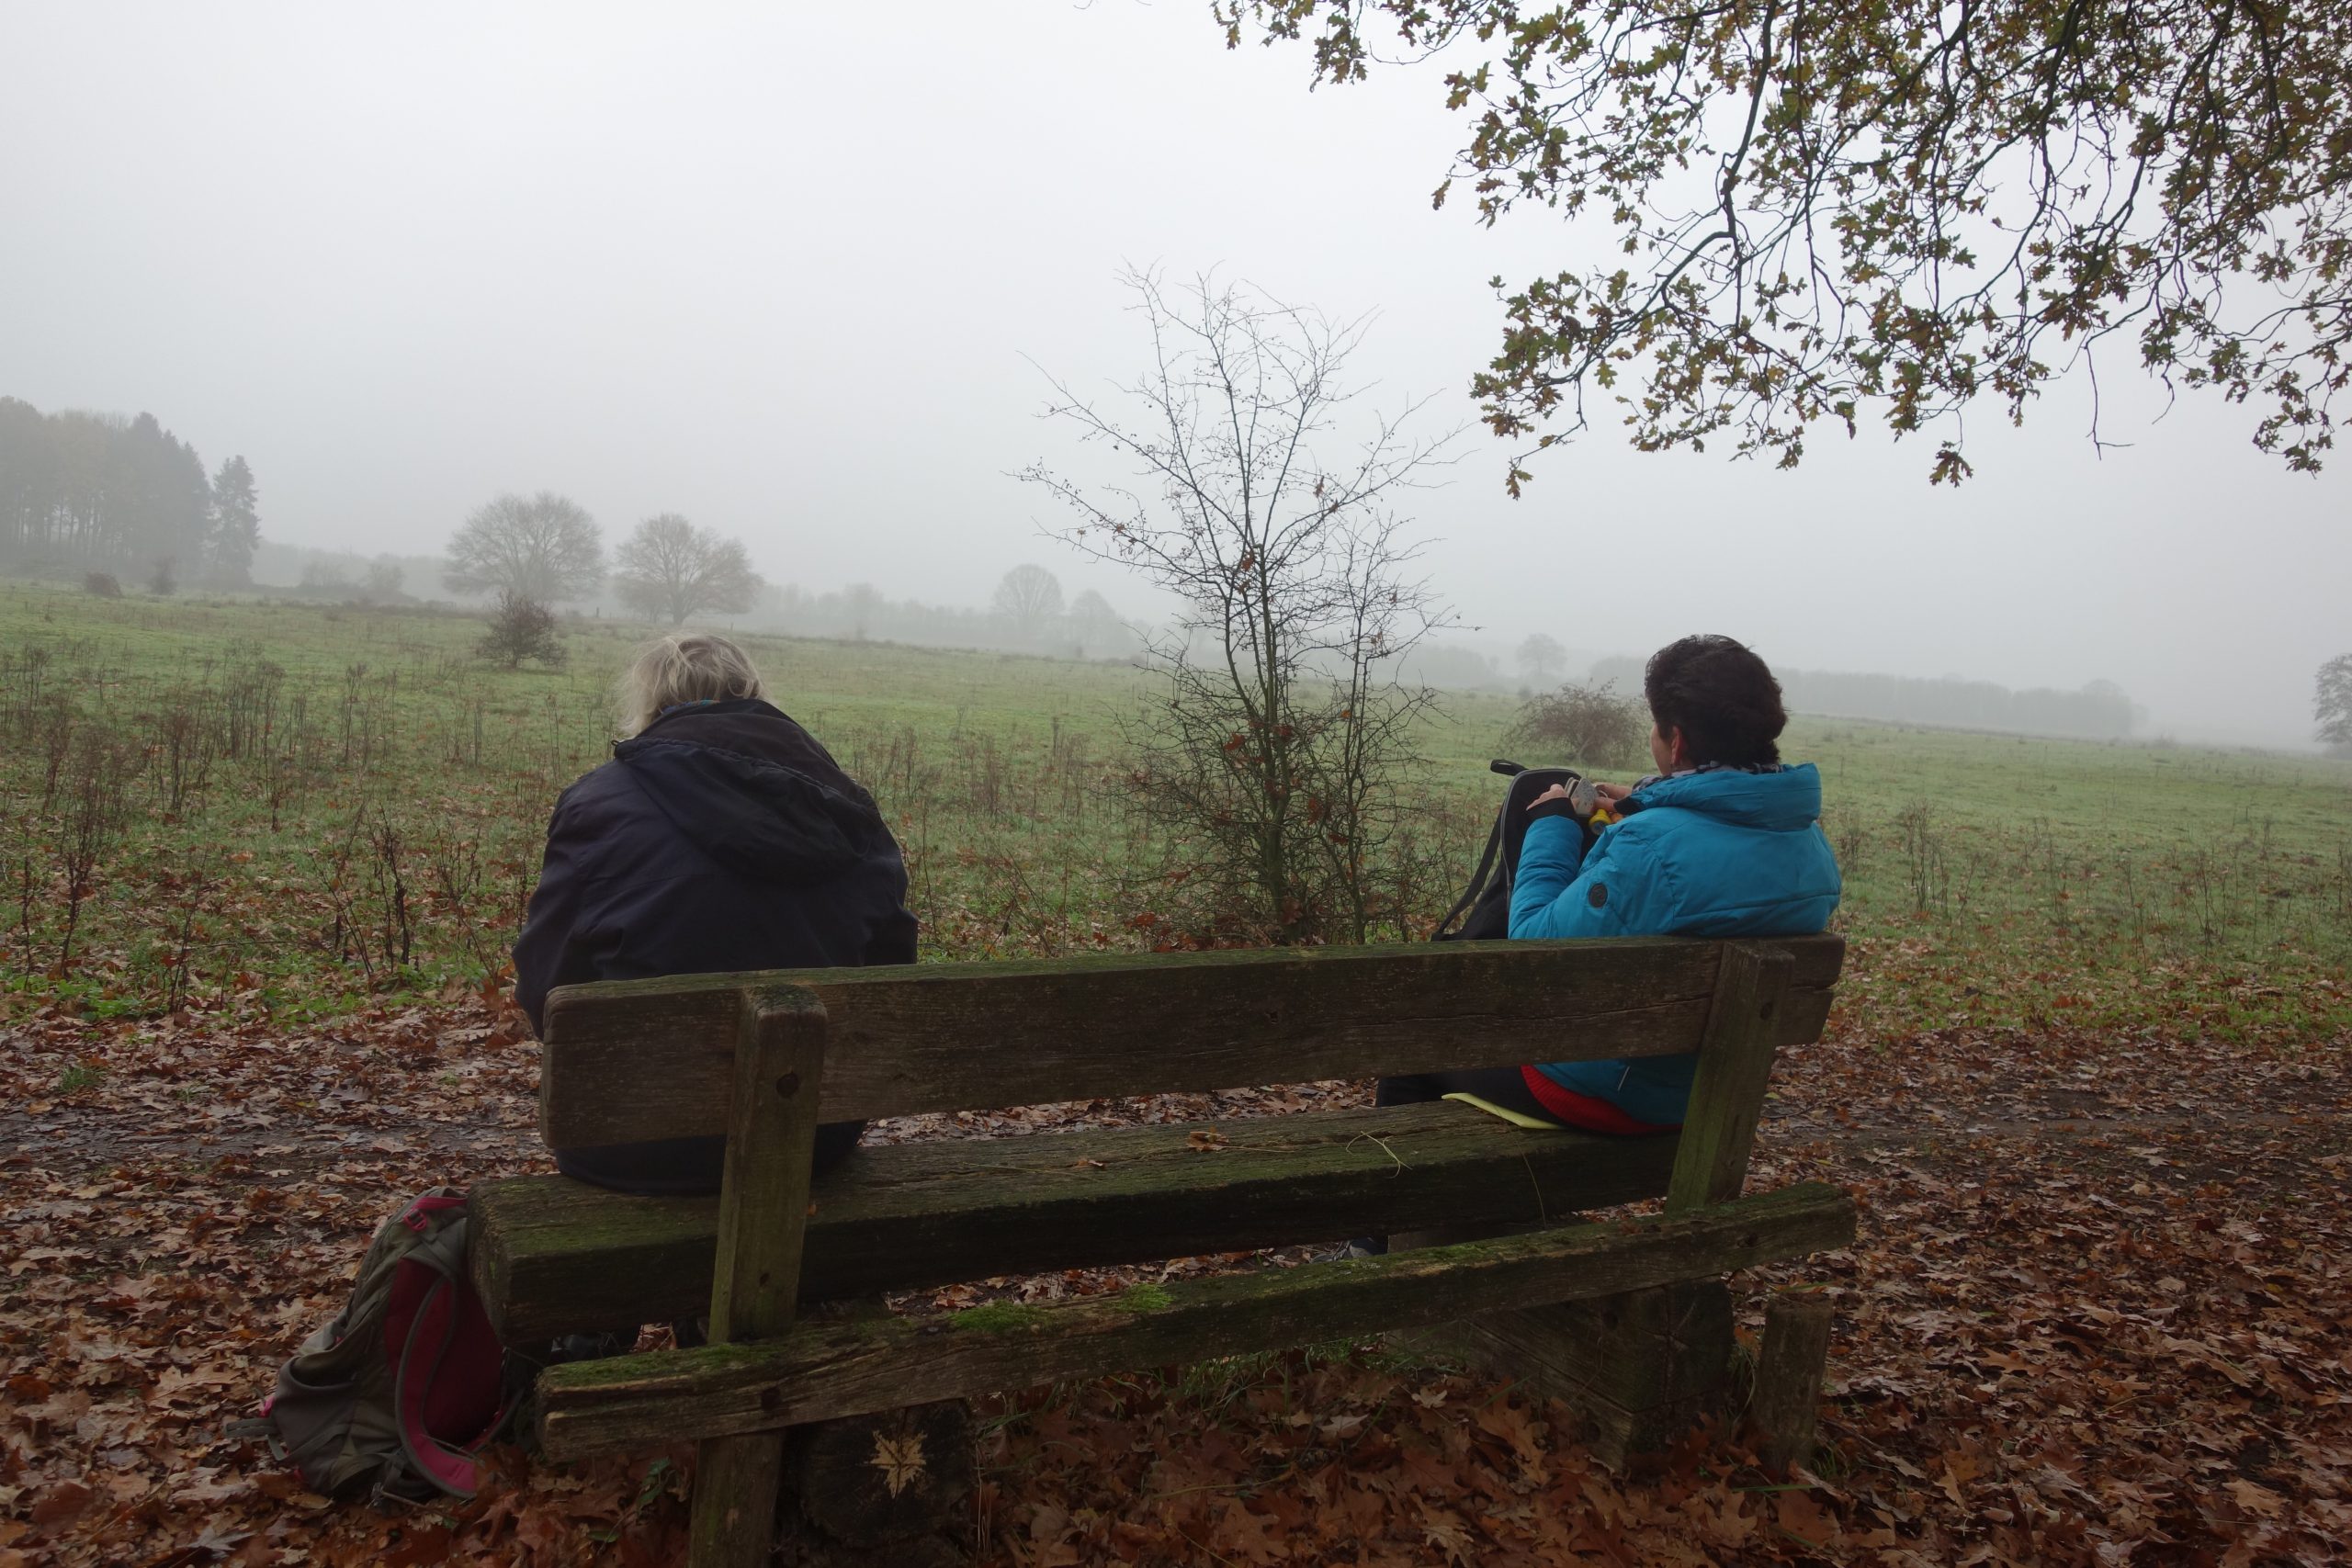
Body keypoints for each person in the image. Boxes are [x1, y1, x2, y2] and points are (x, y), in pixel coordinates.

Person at [1375, 634, 1840, 1138]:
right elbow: (1711, 847)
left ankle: (1398, 1182)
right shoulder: (1809, 844)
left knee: (1413, 1046)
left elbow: (1532, 947)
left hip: (1606, 1087)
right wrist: (1648, 801)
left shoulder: (1647, 849)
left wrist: (1552, 825)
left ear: (1676, 741)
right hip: (1710, 1088)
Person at [514, 633, 917, 1195]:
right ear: (753, 693)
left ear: (652, 701)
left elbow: (547, 980)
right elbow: (892, 976)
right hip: (811, 1137)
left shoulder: (598, 802)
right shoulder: (845, 807)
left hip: (629, 1142)